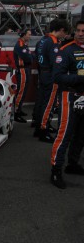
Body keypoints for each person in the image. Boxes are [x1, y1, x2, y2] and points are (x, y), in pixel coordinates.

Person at [50, 20, 84, 189]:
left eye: (83, 31)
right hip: (69, 96)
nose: (80, 33)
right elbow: (57, 76)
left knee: (81, 134)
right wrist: (80, 78)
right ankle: (56, 170)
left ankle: (73, 163)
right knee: (64, 134)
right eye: (78, 30)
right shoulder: (65, 50)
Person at [33, 19, 69, 142]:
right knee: (48, 104)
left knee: (42, 102)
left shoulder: (43, 40)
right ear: (62, 30)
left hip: (43, 73)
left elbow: (37, 56)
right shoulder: (53, 42)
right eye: (65, 33)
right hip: (50, 75)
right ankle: (44, 130)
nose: (65, 36)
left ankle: (39, 127)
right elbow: (56, 63)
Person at [13, 29, 33, 123]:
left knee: (23, 91)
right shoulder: (20, 45)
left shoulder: (23, 44)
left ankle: (19, 109)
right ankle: (16, 112)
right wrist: (30, 55)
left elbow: (30, 56)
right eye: (29, 34)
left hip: (25, 69)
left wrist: (30, 55)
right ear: (24, 35)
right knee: (21, 92)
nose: (30, 36)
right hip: (22, 70)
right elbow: (28, 58)